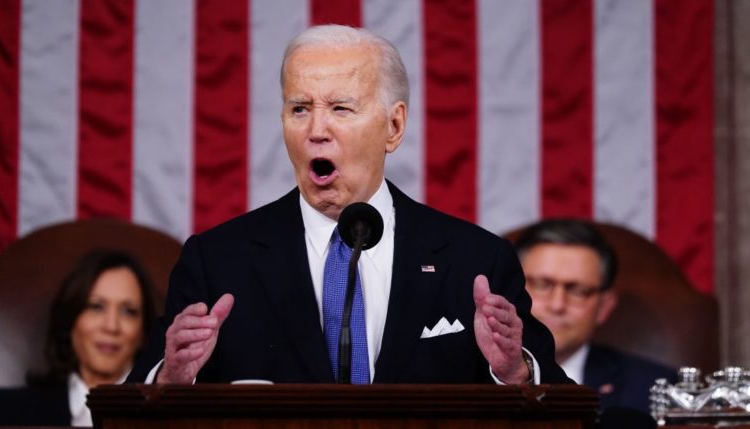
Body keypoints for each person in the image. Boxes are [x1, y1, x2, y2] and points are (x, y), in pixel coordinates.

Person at [127, 24, 571, 386]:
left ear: (393, 126)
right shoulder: (218, 261)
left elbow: (562, 403)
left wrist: (514, 371)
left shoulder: (475, 260)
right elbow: (134, 401)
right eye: (299, 109)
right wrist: (171, 379)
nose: (316, 129)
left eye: (341, 108)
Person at [0, 250, 157, 426]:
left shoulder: (166, 418)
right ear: (71, 321)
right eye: (96, 307)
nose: (111, 326)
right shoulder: (5, 412)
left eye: (128, 311)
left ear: (143, 332)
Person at [514, 219, 677, 413]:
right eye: (542, 285)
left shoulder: (653, 390)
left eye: (578, 291)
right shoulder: (469, 374)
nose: (557, 305)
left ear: (603, 307)